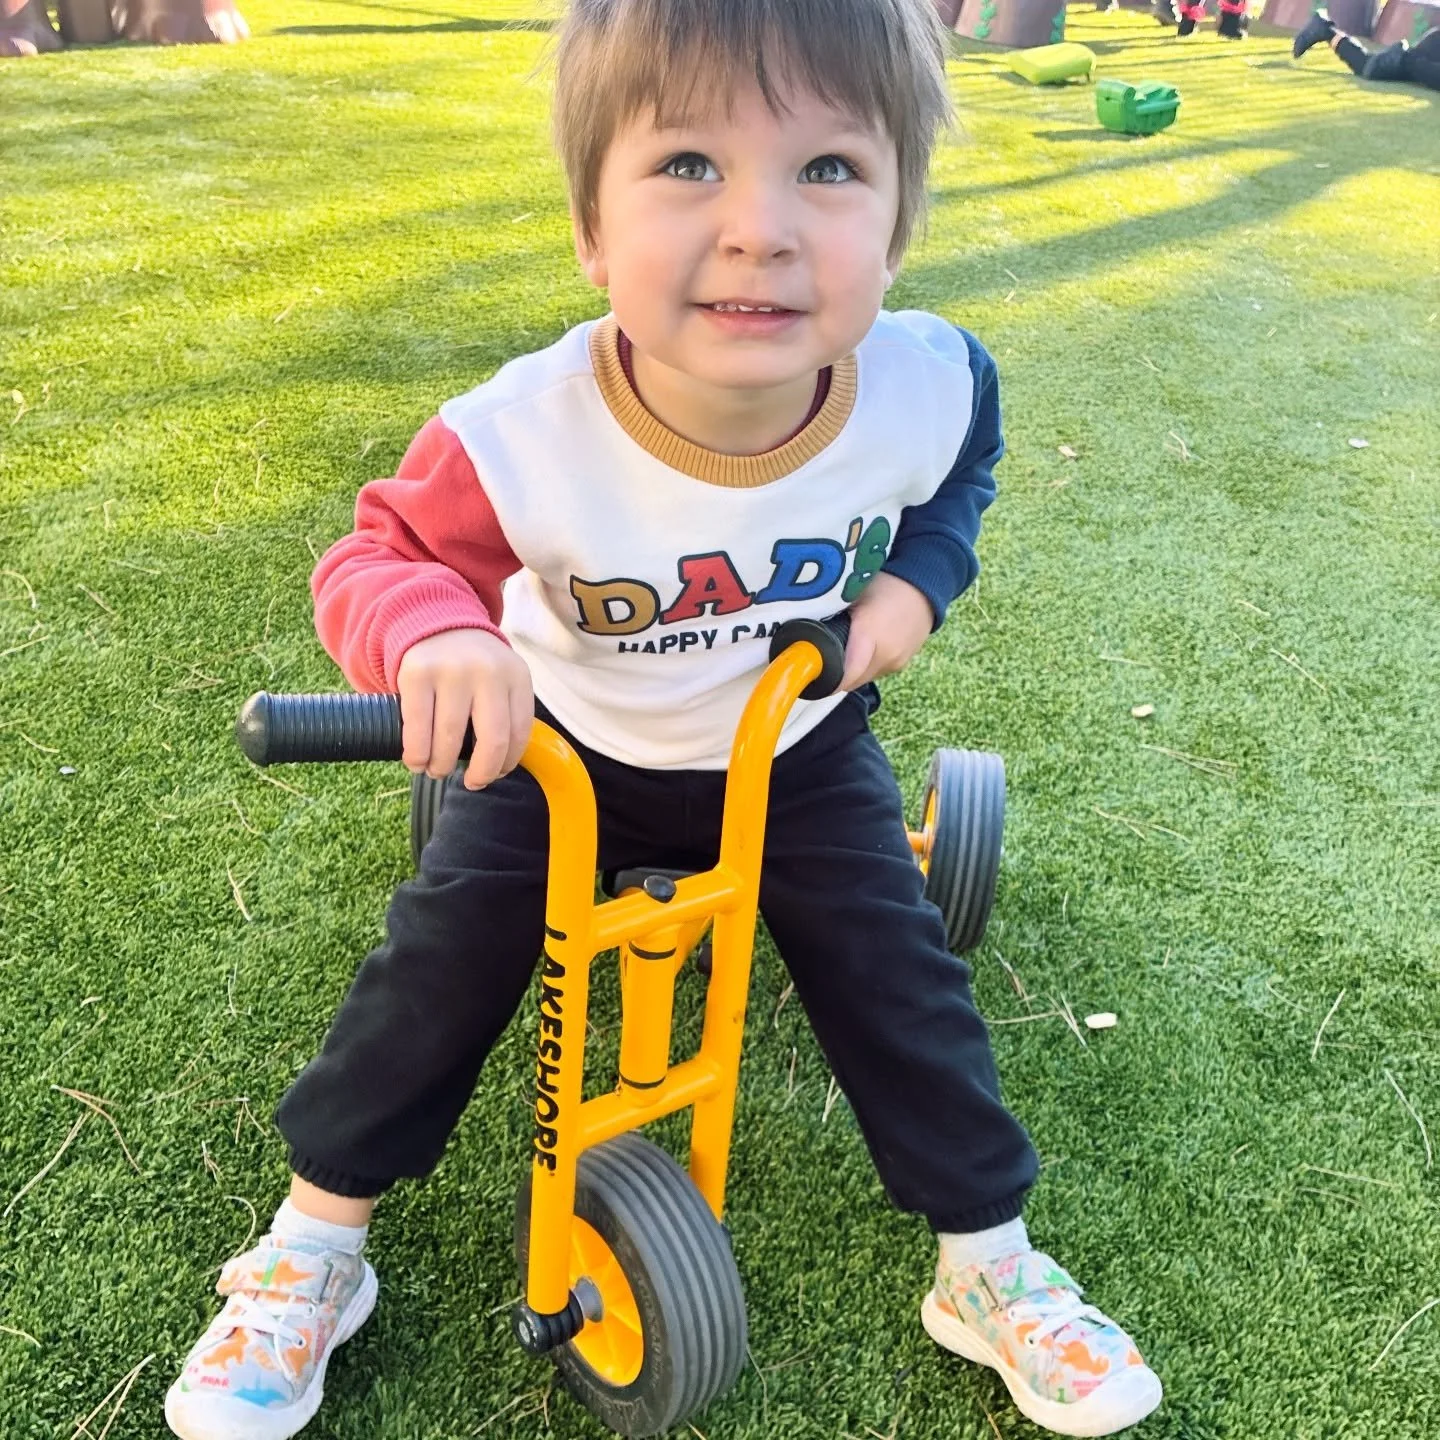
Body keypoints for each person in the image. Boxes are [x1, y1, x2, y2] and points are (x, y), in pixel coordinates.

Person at [162, 1, 1164, 1437]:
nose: (759, 229)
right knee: (437, 962)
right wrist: (439, 633)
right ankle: (314, 1245)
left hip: (793, 746)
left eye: (828, 171)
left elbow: (960, 488)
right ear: (590, 227)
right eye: (689, 164)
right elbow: (379, 556)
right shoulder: (523, 434)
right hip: (569, 752)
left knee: (898, 974)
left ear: (895, 227)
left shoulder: (929, 383)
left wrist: (911, 601)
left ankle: (989, 1266)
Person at [1292, 8, 1440, 87]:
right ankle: (1325, 30)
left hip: (1424, 55)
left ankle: (1325, 30)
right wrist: (1409, 60)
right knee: (1369, 68)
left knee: (1369, 66)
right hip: (1417, 57)